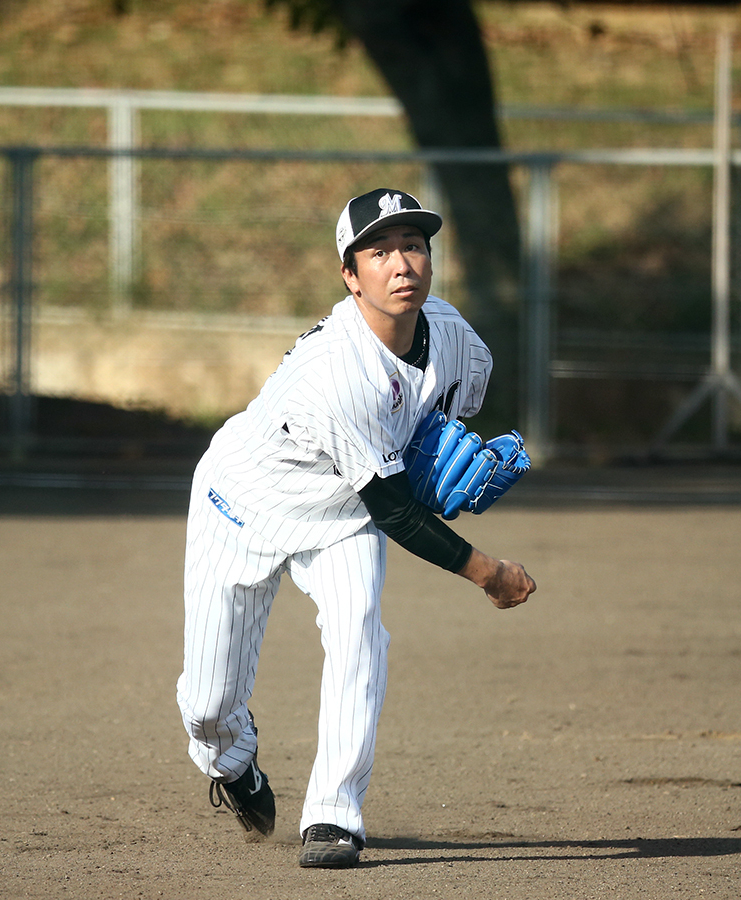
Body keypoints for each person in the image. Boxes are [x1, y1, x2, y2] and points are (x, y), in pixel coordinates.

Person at [176, 187, 537, 869]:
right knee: (206, 705)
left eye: (414, 245)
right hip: (243, 505)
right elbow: (400, 511)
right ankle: (231, 759)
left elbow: (442, 422)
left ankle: (334, 817)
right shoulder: (338, 371)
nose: (402, 263)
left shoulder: (457, 339)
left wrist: (440, 449)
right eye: (380, 251)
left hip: (345, 515)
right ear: (350, 275)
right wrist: (490, 573)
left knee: (359, 632)